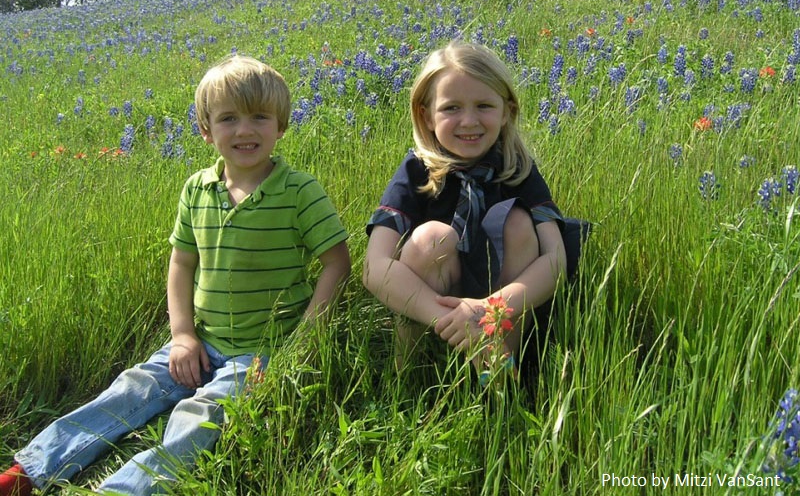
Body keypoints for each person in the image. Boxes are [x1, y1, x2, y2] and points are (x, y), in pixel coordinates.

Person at [0, 55, 351, 496]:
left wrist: (302, 341)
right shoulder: (196, 188)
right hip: (201, 338)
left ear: (281, 125)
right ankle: (31, 470)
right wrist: (183, 335)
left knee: (201, 416)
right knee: (132, 387)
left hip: (264, 350)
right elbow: (182, 263)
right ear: (206, 131)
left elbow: (337, 262)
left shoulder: (300, 190)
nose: (245, 130)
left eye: (260, 117)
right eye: (228, 119)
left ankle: (122, 490)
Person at [362, 40, 567, 377]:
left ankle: (498, 375)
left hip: (498, 309)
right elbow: (374, 266)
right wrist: (453, 319)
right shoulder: (417, 170)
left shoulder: (517, 168)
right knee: (431, 238)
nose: (469, 121)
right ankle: (412, 380)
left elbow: (556, 260)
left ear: (507, 113)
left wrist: (487, 312)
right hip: (433, 311)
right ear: (426, 117)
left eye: (484, 105)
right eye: (451, 108)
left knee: (516, 222)